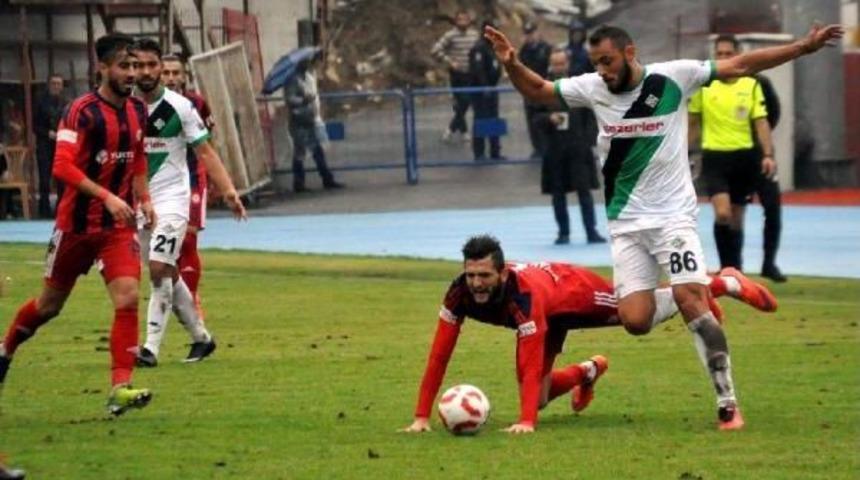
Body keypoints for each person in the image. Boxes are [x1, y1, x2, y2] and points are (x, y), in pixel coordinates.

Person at [482, 21, 842, 429]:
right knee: (635, 320)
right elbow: (539, 91)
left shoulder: (674, 77)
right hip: (626, 224)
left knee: (691, 300)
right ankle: (722, 282)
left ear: (630, 52)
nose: (602, 70)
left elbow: (740, 65)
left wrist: (802, 48)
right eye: (596, 63)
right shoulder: (593, 88)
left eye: (608, 61)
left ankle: (727, 402)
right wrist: (511, 63)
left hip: (673, 218)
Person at [400, 235, 778, 434]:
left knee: (637, 317)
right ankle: (588, 371)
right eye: (471, 275)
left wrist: (527, 422)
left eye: (485, 276)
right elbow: (439, 354)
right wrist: (420, 416)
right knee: (542, 397)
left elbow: (529, 361)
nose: (477, 283)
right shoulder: (458, 292)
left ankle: (722, 283)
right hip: (548, 313)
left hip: (574, 291)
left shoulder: (522, 296)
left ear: (501, 274)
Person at [0, 33, 155, 416]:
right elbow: (61, 166)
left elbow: (136, 159)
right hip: (75, 228)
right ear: (101, 67)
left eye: (135, 66)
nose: (131, 73)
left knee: (129, 297)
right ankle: (4, 350)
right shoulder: (80, 111)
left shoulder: (137, 111)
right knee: (49, 306)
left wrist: (144, 197)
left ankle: (120, 388)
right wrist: (106, 196)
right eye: (124, 66)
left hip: (117, 228)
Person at [131, 39, 246, 368]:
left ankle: (150, 348)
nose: (149, 72)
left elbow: (206, 151)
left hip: (172, 200)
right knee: (167, 270)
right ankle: (201, 338)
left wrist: (229, 191)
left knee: (157, 269)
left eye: (153, 65)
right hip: (138, 201)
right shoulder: (125, 107)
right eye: (140, 65)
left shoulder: (180, 107)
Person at [688, 34, 777, 277]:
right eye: (720, 54)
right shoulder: (704, 86)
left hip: (745, 160)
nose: (724, 58)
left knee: (736, 218)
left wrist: (768, 154)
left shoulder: (750, 85)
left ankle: (735, 269)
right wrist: (682, 153)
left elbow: (761, 122)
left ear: (737, 56)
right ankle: (727, 266)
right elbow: (693, 123)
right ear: (714, 56)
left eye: (729, 54)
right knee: (723, 213)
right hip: (715, 159)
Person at [160, 54, 214, 318]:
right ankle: (173, 292)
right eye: (166, 72)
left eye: (175, 72)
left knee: (190, 239)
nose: (171, 77)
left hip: (192, 177)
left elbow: (207, 142)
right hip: (160, 182)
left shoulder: (196, 103)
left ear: (184, 76)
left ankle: (191, 299)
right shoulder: (145, 104)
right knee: (170, 243)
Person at [535, 48, 605, 245]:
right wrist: (548, 118)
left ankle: (592, 231)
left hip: (578, 148)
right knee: (558, 194)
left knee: (585, 192)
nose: (558, 67)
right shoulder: (541, 87)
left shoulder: (580, 85)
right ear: (551, 65)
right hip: (554, 149)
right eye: (555, 64)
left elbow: (592, 115)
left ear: (567, 63)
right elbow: (534, 118)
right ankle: (563, 233)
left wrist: (589, 140)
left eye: (561, 63)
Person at [284, 54, 344, 192]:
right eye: (305, 62)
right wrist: (303, 100)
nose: (308, 64)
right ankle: (299, 182)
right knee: (300, 152)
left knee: (317, 150)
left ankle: (326, 178)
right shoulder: (293, 80)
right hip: (298, 121)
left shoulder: (306, 78)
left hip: (308, 119)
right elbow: (290, 99)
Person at [751, 73, 787, 282]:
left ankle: (769, 263)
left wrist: (762, 144)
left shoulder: (761, 82)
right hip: (730, 155)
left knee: (773, 208)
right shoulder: (713, 82)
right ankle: (731, 265)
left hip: (761, 155)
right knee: (733, 211)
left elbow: (773, 113)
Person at [432, 10, 480, 142]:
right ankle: (460, 131)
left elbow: (479, 50)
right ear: (456, 21)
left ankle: (452, 129)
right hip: (457, 74)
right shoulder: (450, 35)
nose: (462, 22)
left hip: (471, 74)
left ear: (469, 21)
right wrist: (449, 61)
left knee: (465, 102)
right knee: (461, 102)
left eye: (465, 19)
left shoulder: (474, 35)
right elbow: (435, 50)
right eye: (459, 20)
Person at [34, 74, 69, 217]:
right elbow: (34, 125)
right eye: (53, 83)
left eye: (58, 84)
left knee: (62, 178)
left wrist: (62, 133)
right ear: (49, 85)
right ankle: (43, 210)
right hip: (44, 144)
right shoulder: (40, 102)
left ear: (61, 86)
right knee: (44, 179)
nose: (56, 86)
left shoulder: (66, 103)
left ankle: (61, 209)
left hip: (61, 144)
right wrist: (47, 133)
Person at [468, 19, 503, 161]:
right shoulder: (479, 48)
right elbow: (478, 69)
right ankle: (479, 152)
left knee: (494, 119)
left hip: (492, 89)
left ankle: (495, 151)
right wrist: (485, 86)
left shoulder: (492, 47)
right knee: (481, 119)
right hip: (481, 91)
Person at [518, 21, 552, 158]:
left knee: (547, 117)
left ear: (537, 33)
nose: (530, 37)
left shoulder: (546, 49)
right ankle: (537, 148)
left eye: (531, 33)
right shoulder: (524, 51)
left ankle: (548, 147)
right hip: (529, 90)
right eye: (527, 34)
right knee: (532, 120)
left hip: (544, 88)